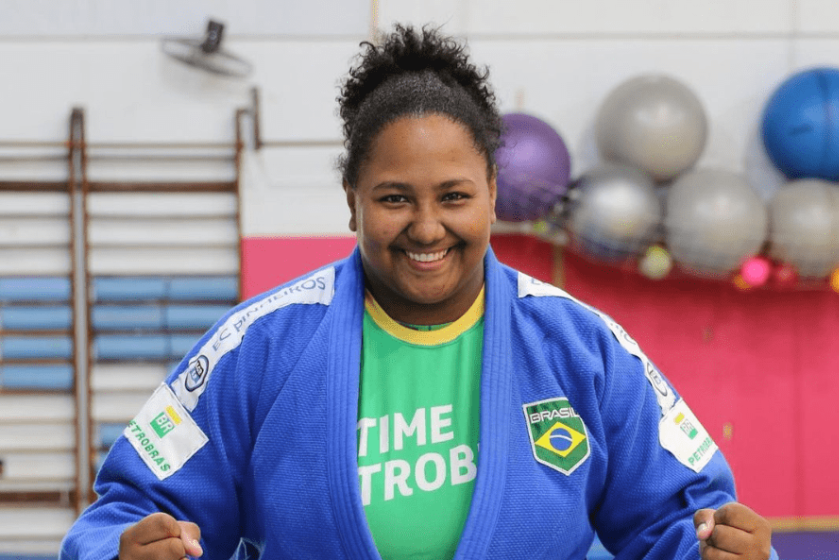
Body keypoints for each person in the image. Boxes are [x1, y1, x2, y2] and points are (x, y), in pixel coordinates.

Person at [61, 25, 776, 560]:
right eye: (395, 198)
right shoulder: (261, 348)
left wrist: (724, 549)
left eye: (455, 195)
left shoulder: (582, 348)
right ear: (352, 201)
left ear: (494, 195)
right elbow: (128, 509)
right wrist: (120, 550)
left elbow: (685, 516)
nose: (427, 226)